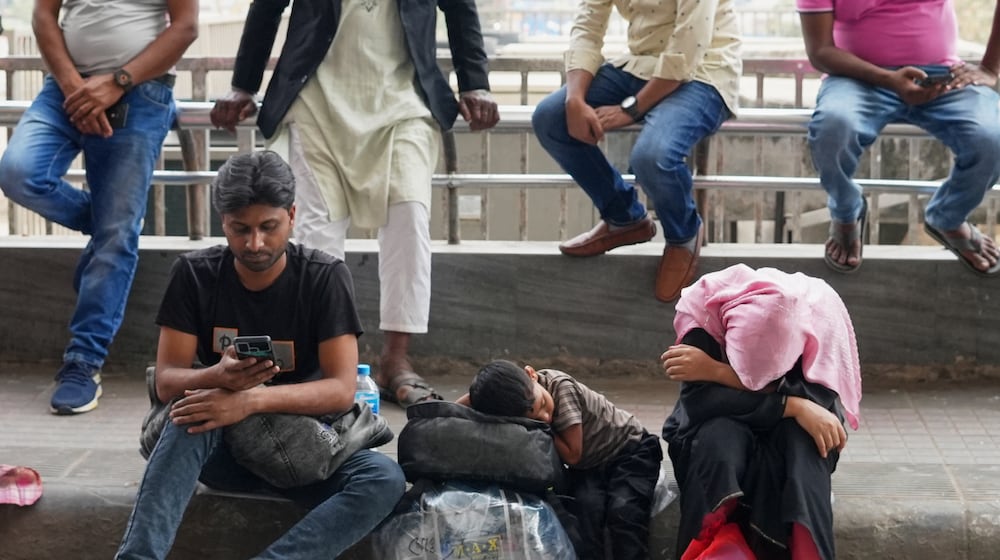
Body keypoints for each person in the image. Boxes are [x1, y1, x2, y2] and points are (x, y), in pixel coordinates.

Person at [210, 0, 500, 408]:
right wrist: (243, 85)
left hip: (405, 103)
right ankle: (330, 363)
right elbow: (266, 7)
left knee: (409, 221)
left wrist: (475, 85)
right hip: (314, 102)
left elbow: (460, 10)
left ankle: (396, 361)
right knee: (314, 237)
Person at [115, 151, 405, 559]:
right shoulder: (194, 275)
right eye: (240, 229)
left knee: (384, 478)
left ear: (291, 215)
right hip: (216, 452)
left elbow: (341, 390)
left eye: (268, 227)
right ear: (223, 223)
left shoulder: (324, 278)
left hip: (305, 448)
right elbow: (167, 380)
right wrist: (217, 375)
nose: (255, 243)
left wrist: (251, 400)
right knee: (193, 410)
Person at [0, 0, 198, 415]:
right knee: (18, 172)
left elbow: (185, 28)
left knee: (116, 234)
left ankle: (83, 363)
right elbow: (43, 15)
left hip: (140, 93)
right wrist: (75, 87)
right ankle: (111, 227)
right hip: (64, 90)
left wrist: (118, 82)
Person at [530, 0, 741, 303]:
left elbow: (687, 48)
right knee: (551, 118)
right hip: (641, 64)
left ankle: (684, 235)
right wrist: (574, 98)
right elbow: (588, 24)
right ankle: (624, 218)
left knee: (653, 155)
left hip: (705, 70)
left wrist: (632, 108)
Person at [661, 264, 863, 560]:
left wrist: (720, 373)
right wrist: (790, 405)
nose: (758, 380)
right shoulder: (706, 315)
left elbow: (820, 410)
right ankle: (709, 548)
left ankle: (808, 551)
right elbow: (701, 404)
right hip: (717, 429)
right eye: (744, 368)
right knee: (719, 438)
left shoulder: (821, 319)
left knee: (806, 442)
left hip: (787, 437)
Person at [799, 0, 1000, 276]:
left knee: (991, 137)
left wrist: (990, 67)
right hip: (856, 78)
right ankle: (847, 211)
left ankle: (948, 216)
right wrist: (889, 79)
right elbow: (820, 51)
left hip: (942, 75)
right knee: (833, 129)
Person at [461, 359, 662, 560]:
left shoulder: (562, 389)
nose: (545, 417)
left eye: (542, 405)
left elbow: (573, 455)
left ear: (531, 373)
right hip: (590, 466)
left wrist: (539, 427)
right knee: (585, 514)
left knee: (623, 513)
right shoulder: (520, 394)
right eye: (536, 418)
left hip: (631, 450)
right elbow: (475, 398)